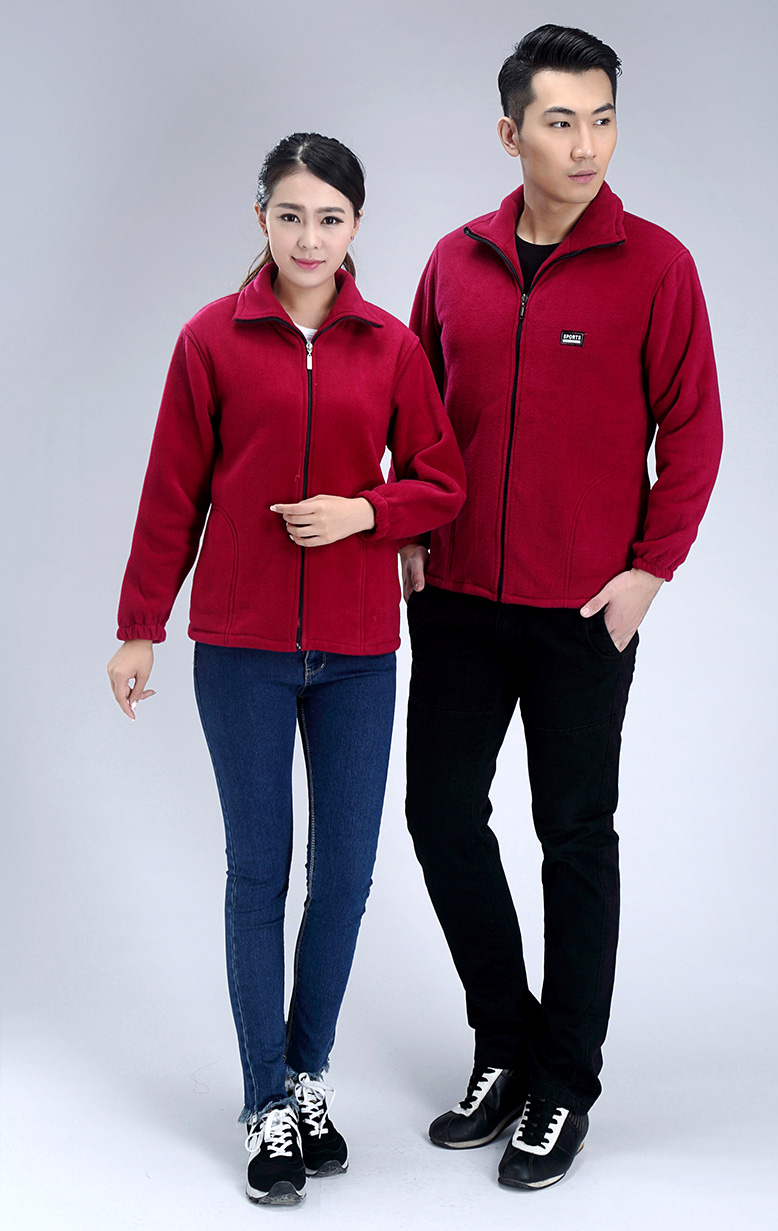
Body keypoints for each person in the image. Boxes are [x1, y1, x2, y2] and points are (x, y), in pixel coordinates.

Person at [107, 131, 465, 1207]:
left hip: (357, 653)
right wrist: (140, 625)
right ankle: (264, 1100)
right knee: (258, 873)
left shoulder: (390, 347)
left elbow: (442, 479)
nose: (310, 237)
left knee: (345, 877)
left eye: (331, 218)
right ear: (261, 219)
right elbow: (173, 490)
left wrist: (368, 512)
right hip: (242, 649)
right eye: (291, 215)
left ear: (356, 227)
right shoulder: (208, 341)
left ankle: (308, 1078)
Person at [402, 24, 722, 1191]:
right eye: (558, 121)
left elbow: (693, 429)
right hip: (455, 600)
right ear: (510, 133)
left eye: (600, 120)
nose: (584, 145)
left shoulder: (655, 266)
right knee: (439, 816)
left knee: (573, 837)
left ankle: (563, 1083)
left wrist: (646, 573)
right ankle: (504, 1042)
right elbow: (412, 413)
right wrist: (408, 533)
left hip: (583, 610)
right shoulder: (453, 261)